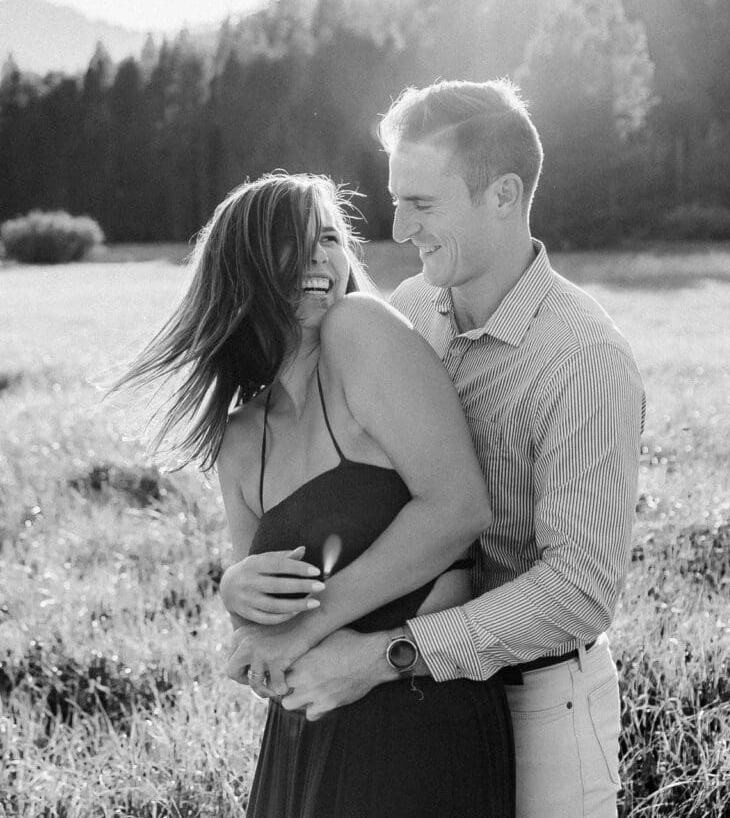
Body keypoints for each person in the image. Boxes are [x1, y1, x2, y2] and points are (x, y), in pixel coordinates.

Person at [222, 81, 645, 818]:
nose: (397, 226)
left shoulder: (583, 357)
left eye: (422, 203)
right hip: (413, 700)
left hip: (542, 697)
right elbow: (318, 467)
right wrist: (239, 589)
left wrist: (385, 656)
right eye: (395, 199)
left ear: (504, 195)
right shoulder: (406, 313)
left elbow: (578, 590)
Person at [116, 171, 514, 818]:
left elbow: (459, 508)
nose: (317, 258)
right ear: (241, 269)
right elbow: (262, 636)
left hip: (419, 725)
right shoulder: (241, 440)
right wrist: (236, 597)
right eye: (289, 242)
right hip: (304, 738)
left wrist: (309, 624)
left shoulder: (360, 331)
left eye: (328, 237)